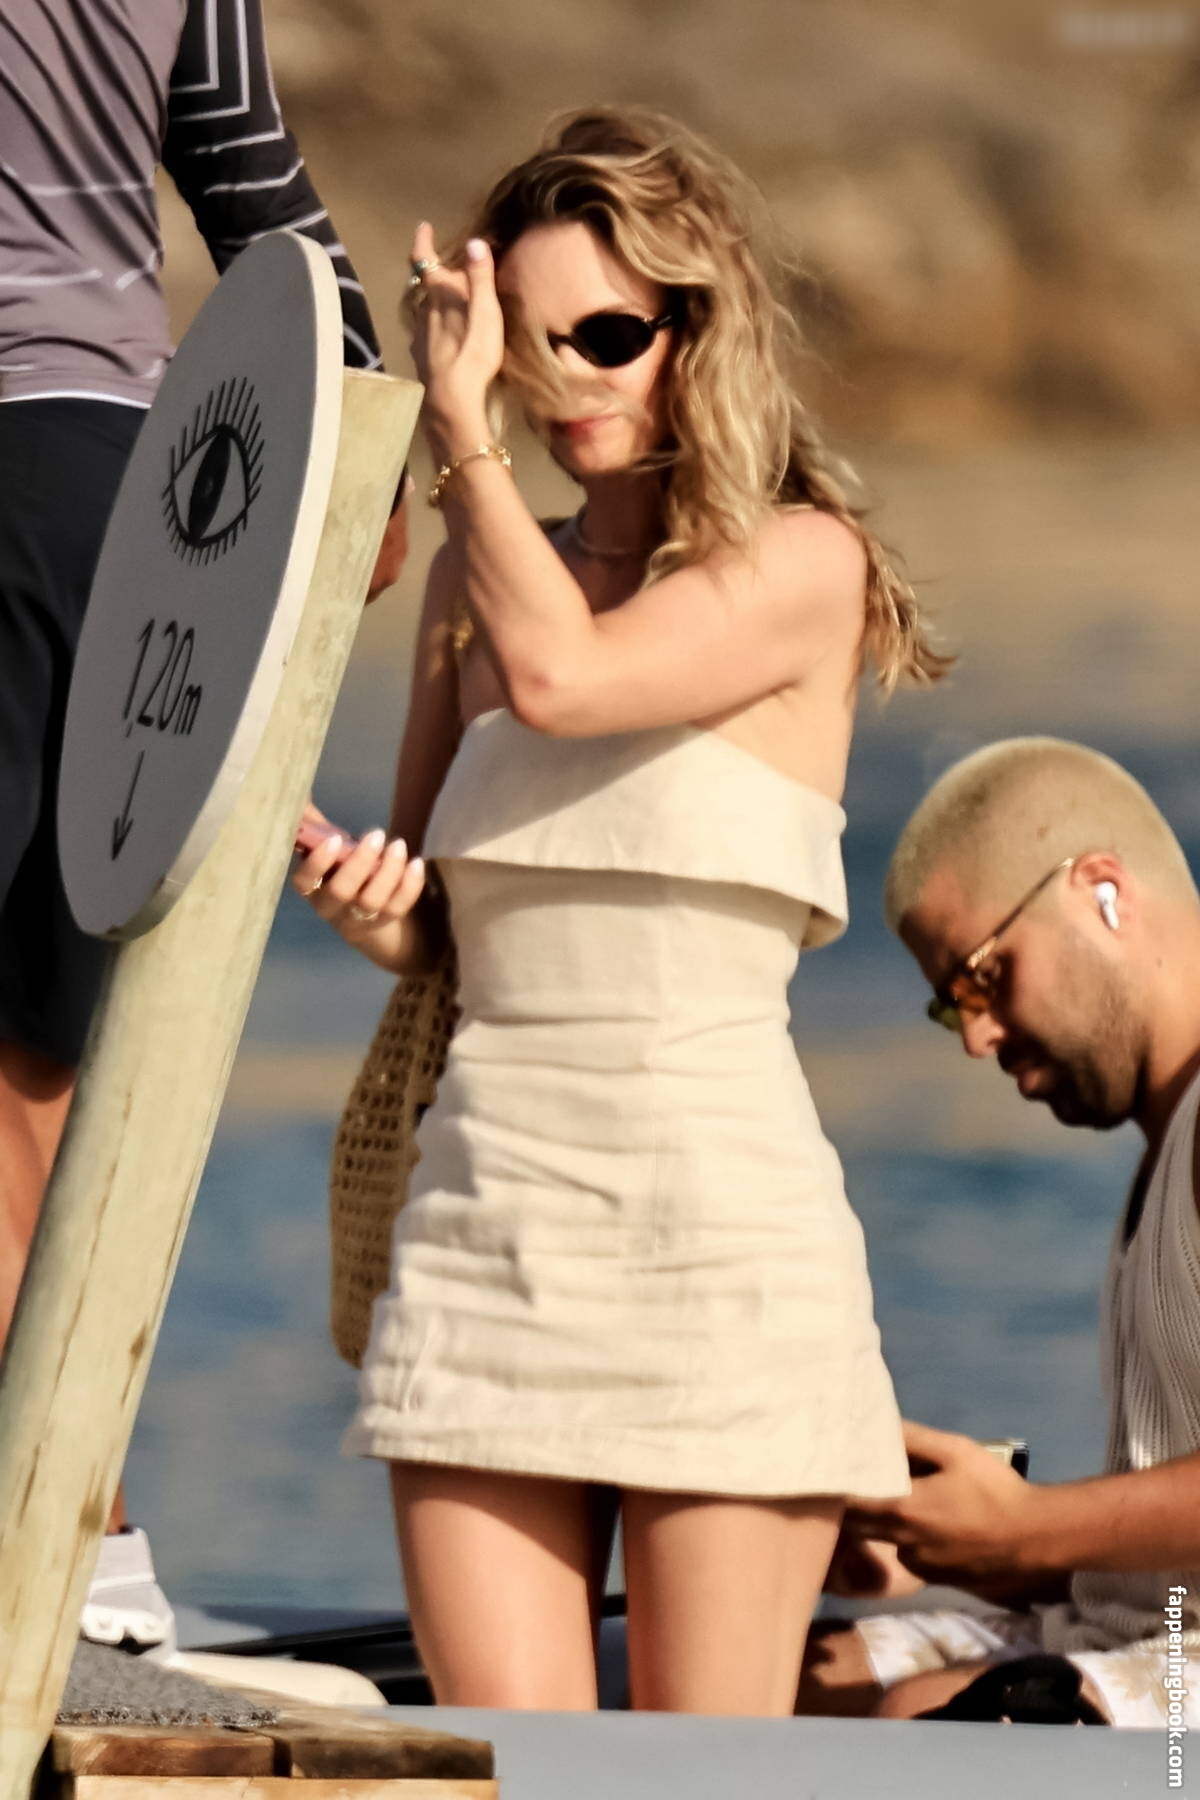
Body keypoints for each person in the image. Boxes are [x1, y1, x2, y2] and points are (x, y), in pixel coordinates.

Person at [295, 106, 947, 1716]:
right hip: (482, 1230)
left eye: (606, 333)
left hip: (719, 1241)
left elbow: (568, 681)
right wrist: (366, 905)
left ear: (693, 329)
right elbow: (443, 931)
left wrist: (455, 436)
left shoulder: (804, 565)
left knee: (700, 1784)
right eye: (528, 341)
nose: (566, 376)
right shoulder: (475, 584)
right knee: (512, 1777)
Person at [0, 0, 397, 1664]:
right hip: (127, 493)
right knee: (38, 1060)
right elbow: (263, 198)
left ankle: (74, 1539)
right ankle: (81, 1528)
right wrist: (354, 487)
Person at [797, 737, 1200, 1729]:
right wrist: (960, 1542)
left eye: (984, 978)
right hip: (1145, 1629)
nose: (976, 1037)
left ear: (1103, 892)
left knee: (942, 1726)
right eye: (951, 1008)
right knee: (784, 1678)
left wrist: (1031, 1528)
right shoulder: (1166, 1147)